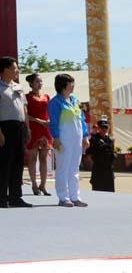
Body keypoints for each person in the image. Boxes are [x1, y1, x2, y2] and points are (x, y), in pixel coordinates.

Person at [0, 57, 32, 208]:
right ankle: (1, 198)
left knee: (18, 163)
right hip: (5, 127)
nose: (17, 71)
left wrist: (27, 128)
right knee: (4, 163)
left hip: (20, 127)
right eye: (14, 68)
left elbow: (24, 109)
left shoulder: (19, 87)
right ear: (5, 70)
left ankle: (15, 197)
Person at [47, 73, 89, 207]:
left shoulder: (75, 100)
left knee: (74, 168)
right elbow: (53, 122)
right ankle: (63, 197)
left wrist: (85, 136)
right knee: (63, 168)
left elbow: (82, 119)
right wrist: (56, 138)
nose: (73, 86)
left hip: (77, 139)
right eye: (71, 83)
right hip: (63, 139)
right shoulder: (55, 102)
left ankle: (75, 197)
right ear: (63, 85)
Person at [24, 73, 52, 196]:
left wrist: (49, 120)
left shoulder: (46, 97)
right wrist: (38, 120)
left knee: (44, 158)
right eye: (37, 81)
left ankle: (43, 185)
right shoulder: (27, 97)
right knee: (33, 158)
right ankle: (34, 185)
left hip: (45, 129)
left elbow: (49, 112)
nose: (40, 83)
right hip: (33, 128)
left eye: (41, 81)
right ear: (31, 83)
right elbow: (25, 115)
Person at [85, 115, 115, 192]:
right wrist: (93, 165)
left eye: (106, 127)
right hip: (98, 170)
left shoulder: (110, 140)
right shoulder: (94, 139)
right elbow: (88, 155)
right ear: (98, 128)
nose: (104, 129)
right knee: (98, 191)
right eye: (102, 127)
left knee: (110, 192)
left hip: (109, 170)